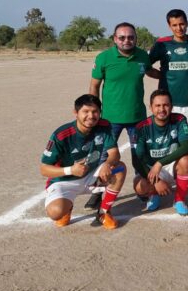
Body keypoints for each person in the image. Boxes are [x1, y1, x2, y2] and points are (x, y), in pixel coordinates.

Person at [88, 22, 151, 208]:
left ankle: (142, 189)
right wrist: (93, 111)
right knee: (103, 157)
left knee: (139, 156)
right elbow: (94, 85)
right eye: (122, 37)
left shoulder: (142, 56)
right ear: (115, 39)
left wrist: (170, 75)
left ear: (135, 39)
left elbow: (150, 71)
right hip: (109, 120)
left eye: (130, 37)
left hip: (137, 118)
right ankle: (98, 193)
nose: (126, 40)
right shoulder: (104, 58)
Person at [40, 94, 126, 229]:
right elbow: (44, 169)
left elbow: (114, 153)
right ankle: (66, 209)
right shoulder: (61, 135)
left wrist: (107, 164)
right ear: (76, 113)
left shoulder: (104, 125)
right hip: (64, 181)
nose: (91, 116)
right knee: (55, 213)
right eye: (85, 112)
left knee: (120, 168)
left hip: (91, 176)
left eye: (95, 111)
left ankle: (103, 212)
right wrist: (70, 170)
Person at [133, 89, 188, 216]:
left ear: (171, 106)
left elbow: (186, 147)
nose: (162, 109)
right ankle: (153, 194)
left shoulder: (179, 119)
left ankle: (179, 200)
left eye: (166, 105)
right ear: (151, 107)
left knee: (187, 161)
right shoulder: (142, 127)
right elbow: (136, 158)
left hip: (172, 165)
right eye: (157, 106)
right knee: (139, 186)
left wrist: (160, 163)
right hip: (153, 170)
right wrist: (156, 182)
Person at [147, 9, 188, 129]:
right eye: (174, 25)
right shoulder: (161, 44)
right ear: (169, 26)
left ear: (187, 23)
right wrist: (162, 75)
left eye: (182, 24)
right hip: (166, 101)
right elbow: (147, 67)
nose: (179, 28)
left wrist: (187, 71)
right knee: (168, 137)